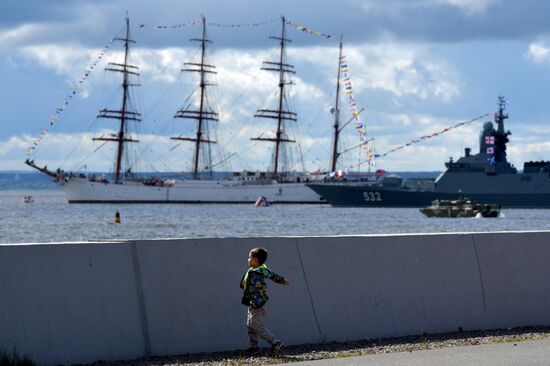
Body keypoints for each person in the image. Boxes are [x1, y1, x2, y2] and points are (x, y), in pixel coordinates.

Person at [240, 247, 289, 356]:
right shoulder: (251, 271)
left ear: (255, 259)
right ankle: (254, 348)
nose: (248, 259)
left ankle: (275, 343)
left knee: (256, 324)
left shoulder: (261, 270)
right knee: (250, 325)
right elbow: (245, 283)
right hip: (252, 302)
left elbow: (273, 276)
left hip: (259, 302)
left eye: (249, 257)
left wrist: (282, 281)